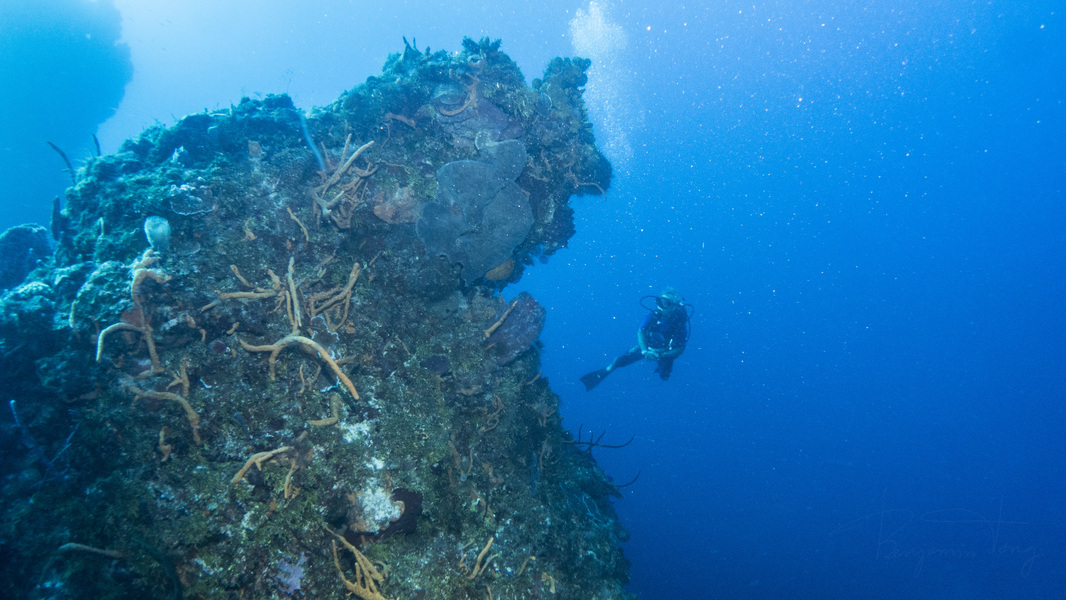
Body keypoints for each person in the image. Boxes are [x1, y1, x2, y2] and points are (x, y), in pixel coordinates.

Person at [581, 288, 691, 391]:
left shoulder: (679, 324)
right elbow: (641, 331)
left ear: (673, 307)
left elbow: (680, 349)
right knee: (621, 361)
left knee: (665, 376)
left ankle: (660, 367)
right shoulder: (654, 315)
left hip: (665, 351)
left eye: (665, 303)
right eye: (659, 301)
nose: (660, 306)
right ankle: (603, 372)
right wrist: (645, 351)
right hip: (648, 345)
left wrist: (660, 355)